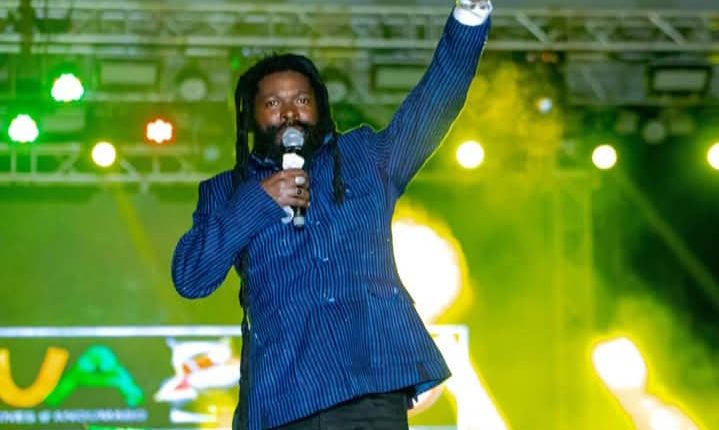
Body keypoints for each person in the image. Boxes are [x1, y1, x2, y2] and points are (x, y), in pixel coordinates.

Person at [171, 1, 493, 429]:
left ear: (320, 107)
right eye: (273, 102)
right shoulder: (228, 191)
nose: (290, 112)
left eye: (302, 100)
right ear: (251, 115)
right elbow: (192, 278)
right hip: (283, 397)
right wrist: (259, 201)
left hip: (370, 384)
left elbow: (432, 105)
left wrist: (469, 19)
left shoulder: (365, 157)